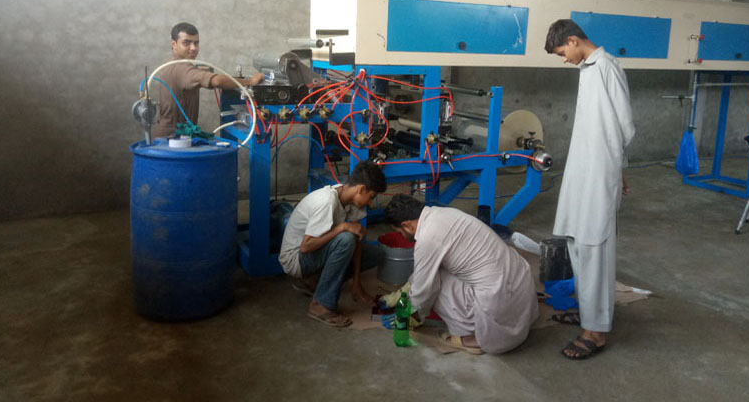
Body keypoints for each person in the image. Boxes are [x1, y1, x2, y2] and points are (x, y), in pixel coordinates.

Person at [544, 19, 635, 360]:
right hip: (582, 170)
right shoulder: (588, 69)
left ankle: (596, 332)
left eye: (562, 52)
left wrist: (615, 168)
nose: (563, 59)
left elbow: (624, 125)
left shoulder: (607, 67)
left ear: (573, 40)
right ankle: (588, 312)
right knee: (576, 241)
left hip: (598, 173)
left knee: (594, 246)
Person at [384, 195, 539, 355]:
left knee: (434, 282)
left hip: (499, 303)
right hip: (520, 289)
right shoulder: (444, 213)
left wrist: (410, 316)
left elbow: (423, 290)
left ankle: (468, 338)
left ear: (407, 225)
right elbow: (423, 271)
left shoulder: (426, 239)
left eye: (399, 232)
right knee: (433, 271)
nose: (402, 235)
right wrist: (404, 290)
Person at [279, 160, 387, 328]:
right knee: (345, 239)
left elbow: (357, 239)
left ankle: (315, 281)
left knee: (375, 253)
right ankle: (320, 305)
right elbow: (306, 247)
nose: (370, 203)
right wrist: (342, 227)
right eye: (371, 197)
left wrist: (357, 284)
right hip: (296, 259)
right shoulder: (327, 201)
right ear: (361, 189)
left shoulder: (350, 199)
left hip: (314, 252)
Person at [152, 22, 264, 139]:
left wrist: (198, 72)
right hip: (171, 139)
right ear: (174, 44)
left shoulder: (171, 64)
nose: (193, 48)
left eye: (196, 43)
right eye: (186, 43)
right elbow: (217, 81)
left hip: (173, 135)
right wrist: (250, 81)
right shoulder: (182, 69)